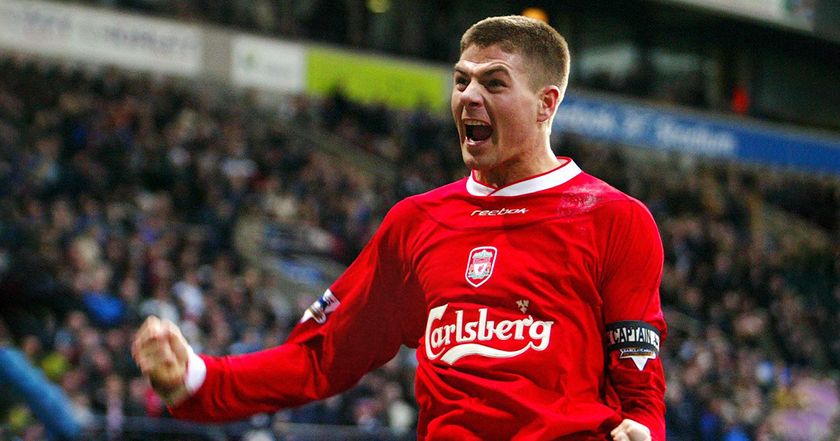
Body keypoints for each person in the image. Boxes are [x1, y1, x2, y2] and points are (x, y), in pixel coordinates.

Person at [132, 15, 666, 441]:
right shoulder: (418, 223)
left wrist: (642, 429)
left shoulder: (613, 219)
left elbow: (639, 382)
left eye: (494, 83)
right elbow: (321, 356)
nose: (468, 96)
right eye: (461, 80)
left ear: (547, 103)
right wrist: (196, 378)